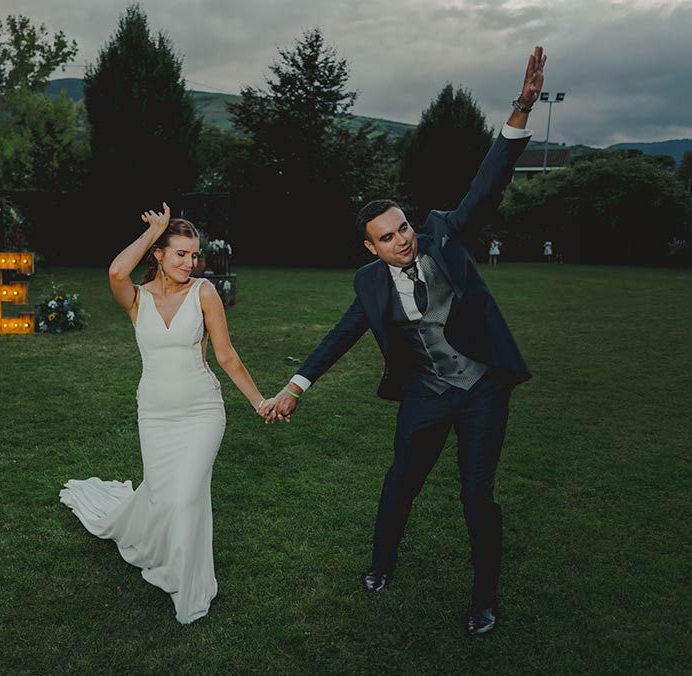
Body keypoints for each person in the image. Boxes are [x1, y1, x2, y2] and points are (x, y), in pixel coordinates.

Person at [262, 46, 548, 637]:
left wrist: (520, 111)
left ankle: (484, 599)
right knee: (401, 483)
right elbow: (341, 337)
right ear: (369, 247)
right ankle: (380, 563)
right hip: (424, 394)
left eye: (403, 228)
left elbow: (487, 186)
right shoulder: (369, 283)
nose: (402, 241)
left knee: (478, 496)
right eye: (387, 238)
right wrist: (295, 386)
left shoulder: (445, 234)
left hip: (481, 389)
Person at [60, 203, 268, 624]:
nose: (190, 263)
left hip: (201, 412)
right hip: (154, 415)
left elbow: (226, 357)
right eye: (181, 254)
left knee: (185, 495)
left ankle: (186, 581)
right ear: (159, 254)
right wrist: (150, 232)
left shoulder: (204, 293)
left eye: (195, 255)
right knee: (161, 495)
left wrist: (259, 401)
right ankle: (156, 547)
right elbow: (117, 273)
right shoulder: (138, 299)